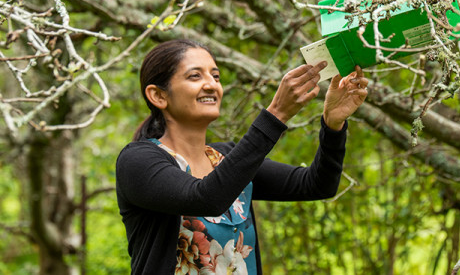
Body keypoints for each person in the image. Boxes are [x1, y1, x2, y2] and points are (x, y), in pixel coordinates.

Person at [116, 39, 368, 274]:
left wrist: (333, 125)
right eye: (195, 76)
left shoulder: (226, 158)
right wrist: (276, 113)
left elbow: (316, 185)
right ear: (158, 95)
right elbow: (206, 197)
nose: (211, 84)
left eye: (215, 76)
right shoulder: (138, 161)